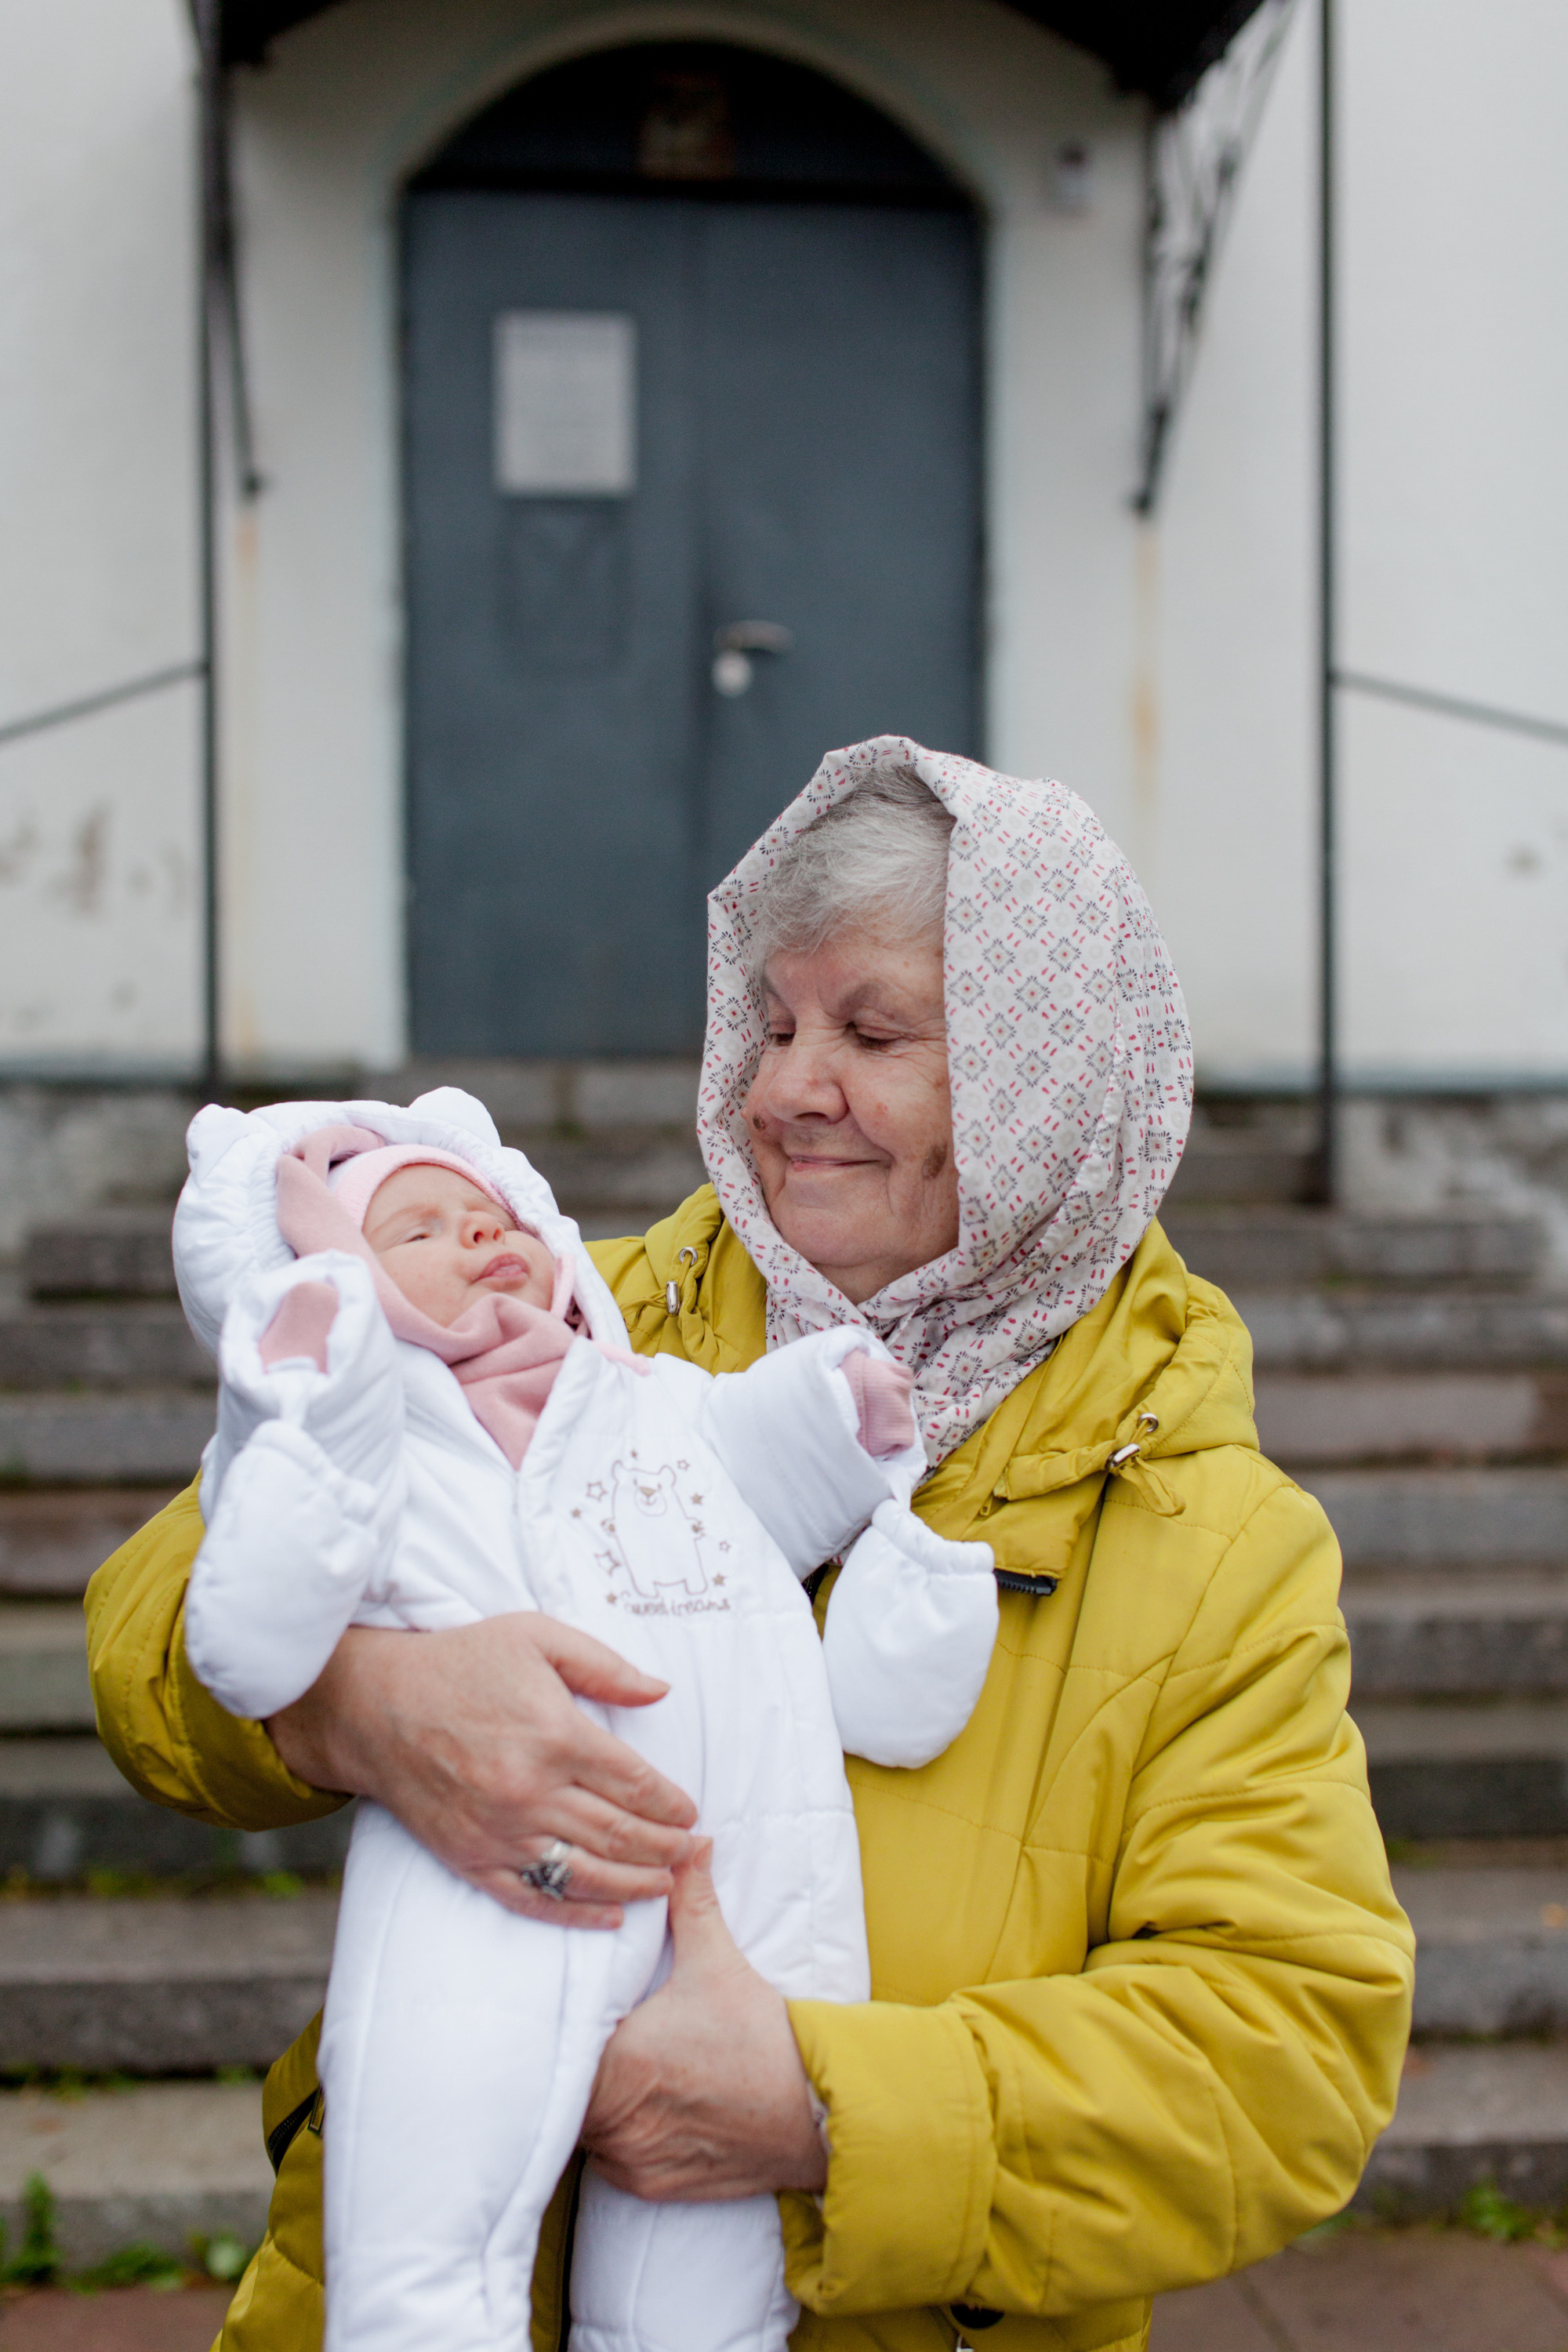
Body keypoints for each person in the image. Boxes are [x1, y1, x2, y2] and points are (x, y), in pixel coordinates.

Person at [86, 737, 1414, 2352]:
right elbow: (163, 1611)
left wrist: (819, 2112)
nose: (788, 1088)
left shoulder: (1215, 1540)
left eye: (871, 1032)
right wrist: (360, 1701)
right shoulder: (574, 1309)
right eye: (774, 1022)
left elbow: (1282, 2061)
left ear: (1040, 1070)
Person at [172, 1096, 995, 2352]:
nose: (483, 1240)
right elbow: (241, 1625)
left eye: (496, 1216)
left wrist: (836, 1409)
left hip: (737, 1888)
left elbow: (744, 1450)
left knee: (705, 2284)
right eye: (421, 1229)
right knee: (431, 2218)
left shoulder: (639, 1393)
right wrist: (303, 1426)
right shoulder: (360, 1428)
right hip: (491, 1885)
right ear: (331, 1274)